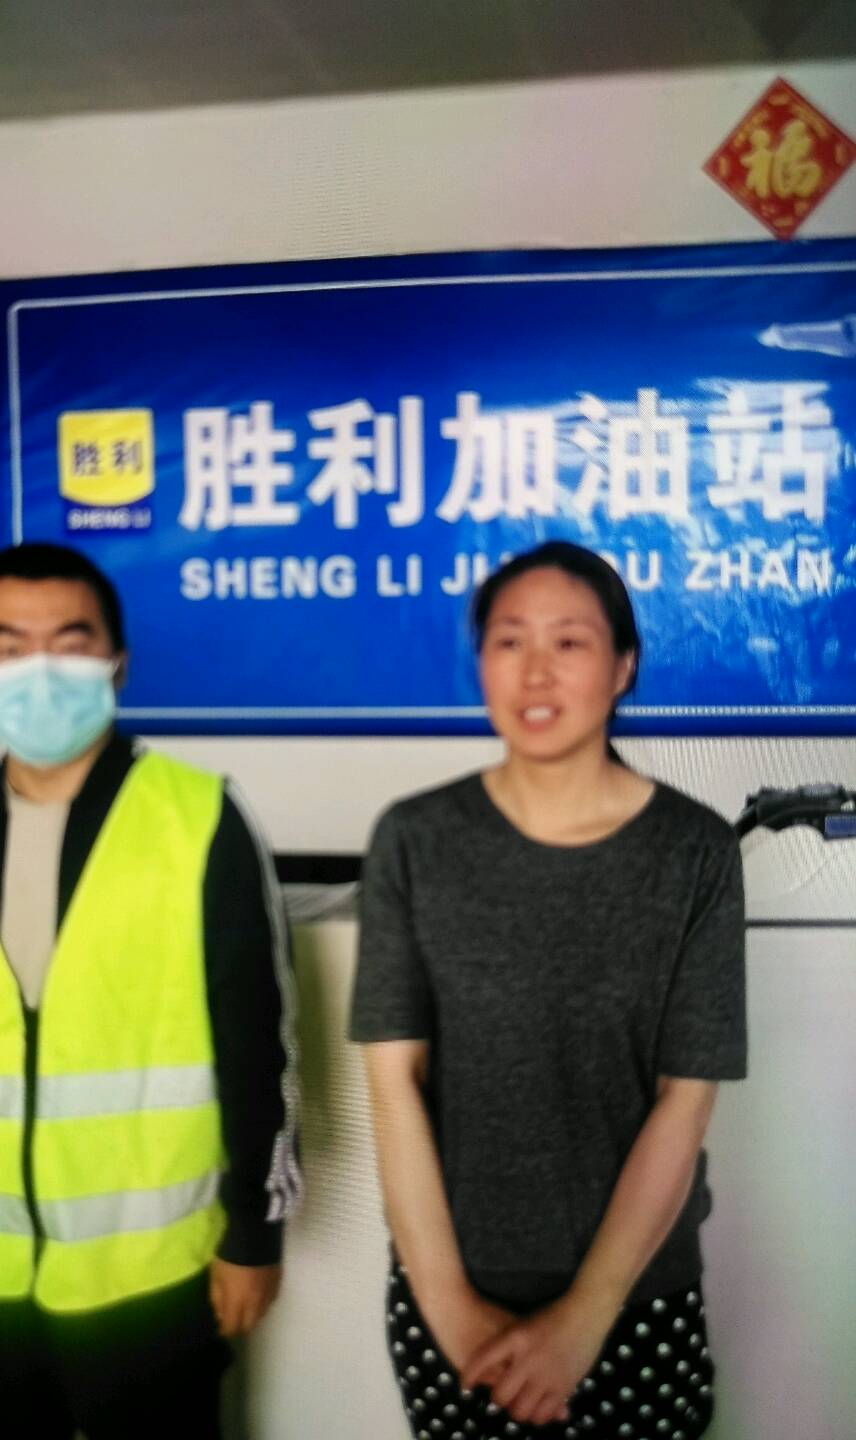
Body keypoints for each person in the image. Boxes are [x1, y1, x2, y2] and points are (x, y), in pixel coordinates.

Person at [0, 542, 301, 1439]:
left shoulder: (196, 817)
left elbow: (263, 1046)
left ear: (116, 664)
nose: (42, 670)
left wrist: (254, 1236)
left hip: (152, 1282)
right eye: (9, 646)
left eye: (70, 643)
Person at [351, 541, 746, 1440]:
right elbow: (393, 1085)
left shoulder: (694, 852)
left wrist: (582, 1321)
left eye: (569, 642)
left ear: (624, 666)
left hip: (634, 1303)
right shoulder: (414, 841)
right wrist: (450, 1309)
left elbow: (685, 1100)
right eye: (508, 641)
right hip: (452, 1304)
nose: (535, 671)